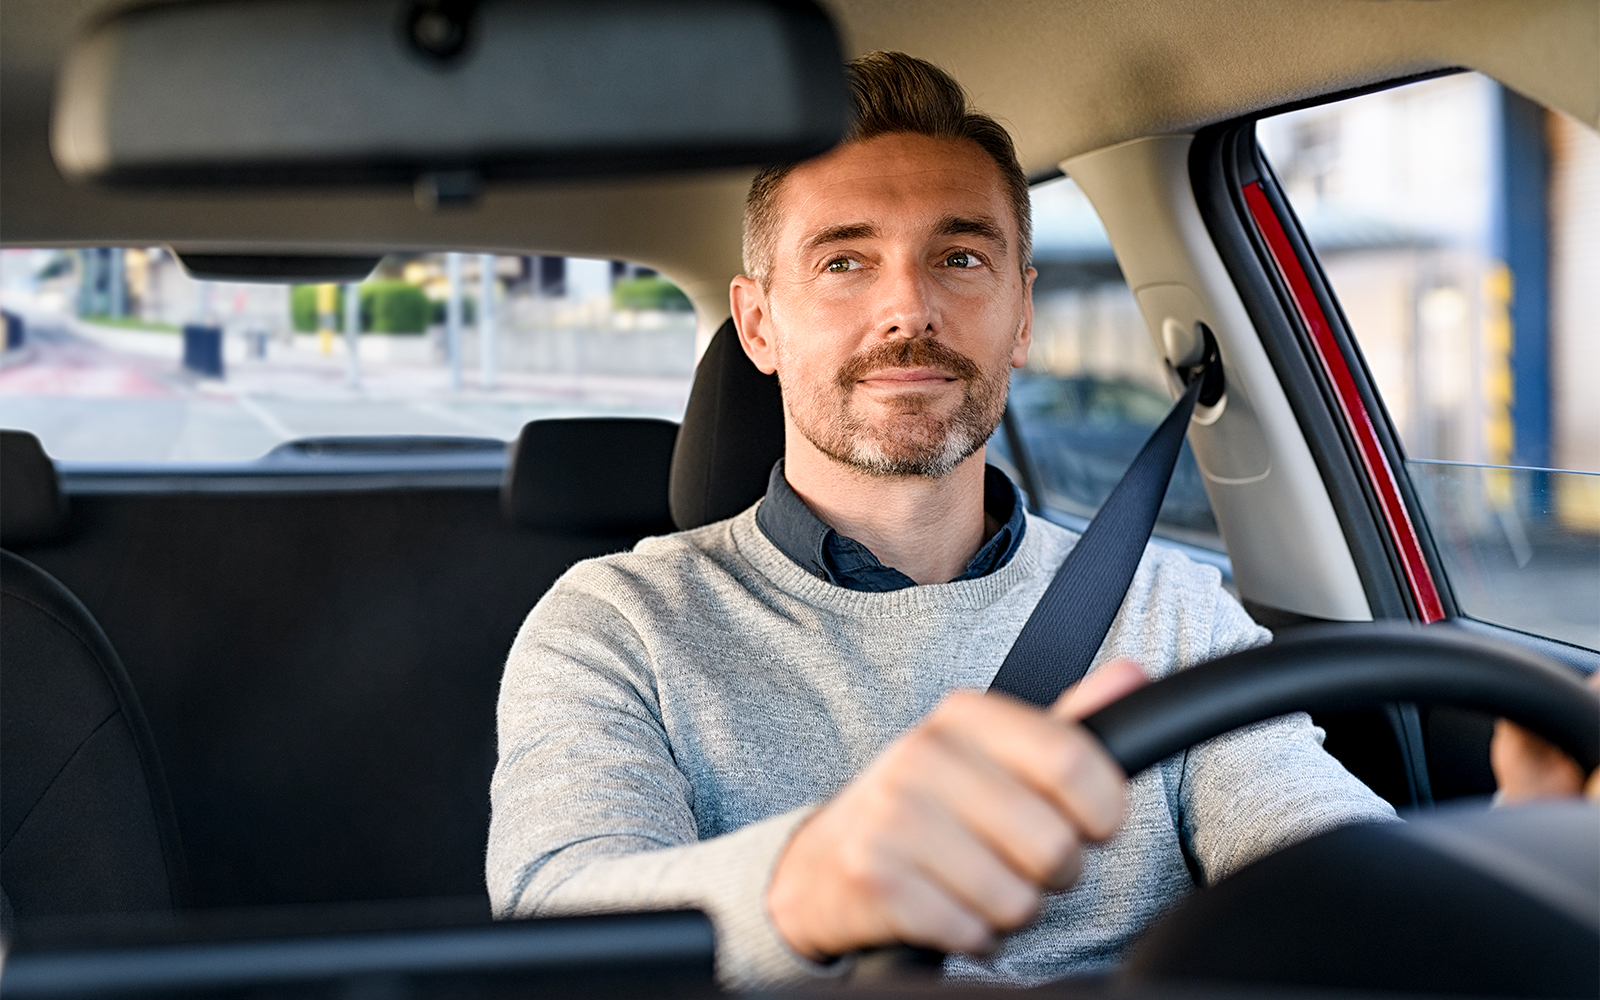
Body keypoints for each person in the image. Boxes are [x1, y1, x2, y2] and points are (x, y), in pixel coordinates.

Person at [487, 52, 1394, 989]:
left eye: (959, 257)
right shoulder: (616, 621)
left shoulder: (1172, 609)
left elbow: (1335, 875)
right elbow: (559, 917)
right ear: (759, 327)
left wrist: (1523, 866)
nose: (908, 309)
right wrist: (812, 880)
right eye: (844, 261)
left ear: (1021, 314)